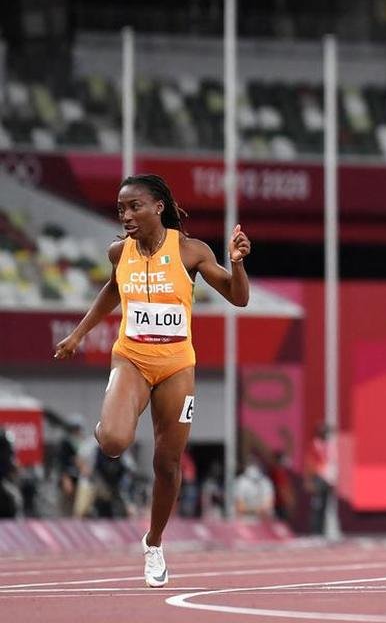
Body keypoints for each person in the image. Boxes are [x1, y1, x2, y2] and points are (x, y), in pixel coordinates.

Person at [53, 174, 251, 587]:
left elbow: (239, 297)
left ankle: (154, 542)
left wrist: (236, 263)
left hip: (177, 366)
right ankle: (108, 425)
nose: (125, 216)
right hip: (132, 358)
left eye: (134, 207)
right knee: (113, 442)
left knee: (167, 463)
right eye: (120, 209)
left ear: (158, 207)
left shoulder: (190, 251)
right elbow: (112, 290)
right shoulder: (118, 252)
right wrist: (78, 334)